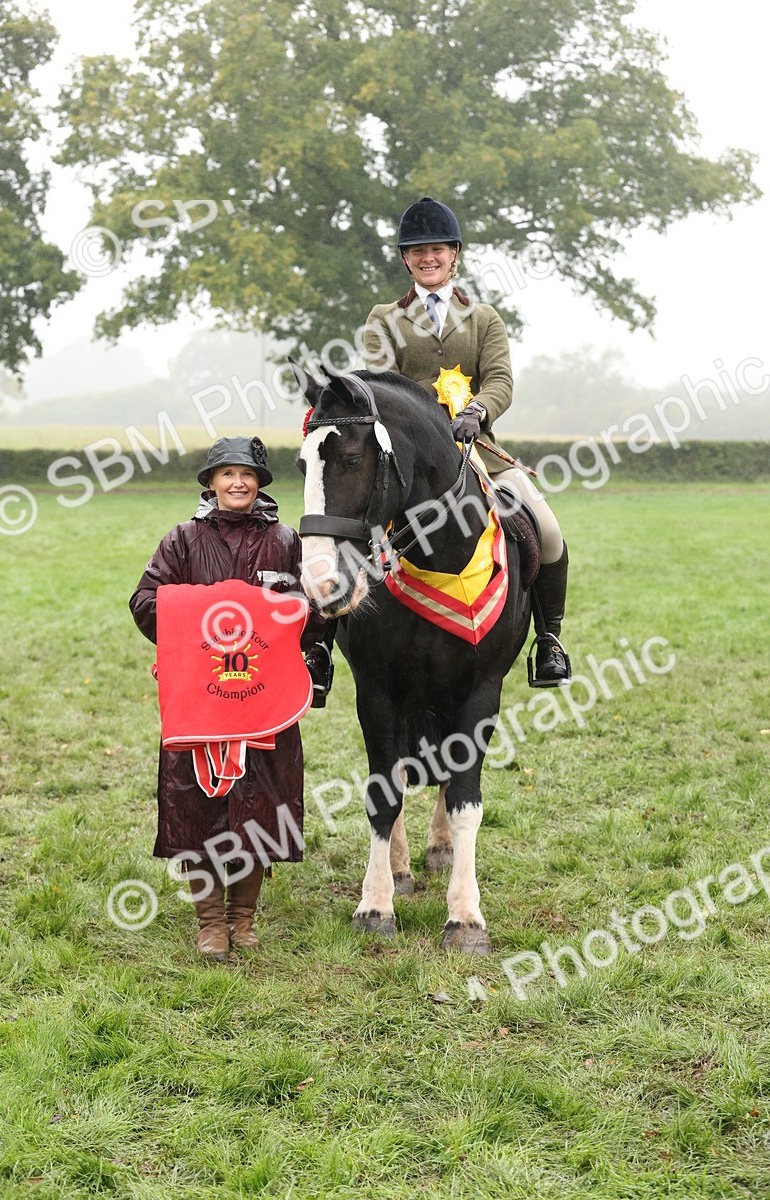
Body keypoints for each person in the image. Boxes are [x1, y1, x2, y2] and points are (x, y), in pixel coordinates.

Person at [129, 436, 328, 960]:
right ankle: (210, 922)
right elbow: (146, 600)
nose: (237, 482)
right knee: (195, 805)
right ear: (211, 482)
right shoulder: (183, 539)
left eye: (247, 474)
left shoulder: (288, 541)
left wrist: (290, 616)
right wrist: (213, 609)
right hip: (201, 698)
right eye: (226, 474)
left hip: (265, 698)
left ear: (260, 482)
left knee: (260, 806)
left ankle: (244, 918)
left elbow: (314, 608)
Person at [363, 196, 571, 687]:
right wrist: (426, 422)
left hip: (479, 452)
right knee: (348, 531)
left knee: (547, 529)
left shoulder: (484, 318)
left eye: (437, 249)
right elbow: (381, 383)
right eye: (417, 251)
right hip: (406, 459)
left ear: (454, 254)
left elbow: (500, 380)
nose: (427, 258)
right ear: (404, 259)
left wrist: (478, 410)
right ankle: (320, 650)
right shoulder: (382, 318)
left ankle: (549, 639)